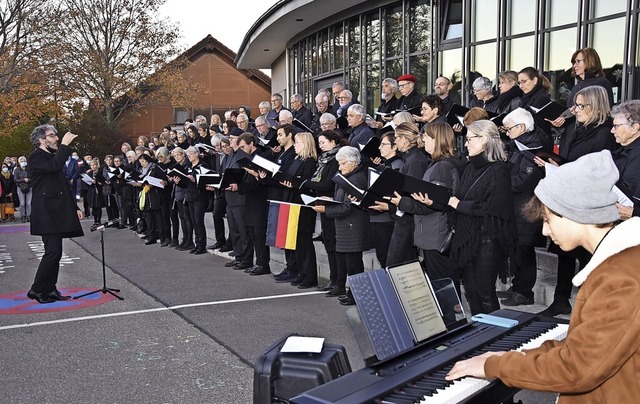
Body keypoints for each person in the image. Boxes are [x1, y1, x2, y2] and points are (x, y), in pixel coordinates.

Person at [446, 150, 640, 404]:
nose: (546, 231)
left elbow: (577, 368)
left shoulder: (621, 276)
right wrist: (512, 356)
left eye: (548, 219)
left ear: (575, 214)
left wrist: (496, 366)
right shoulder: (619, 264)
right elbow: (583, 347)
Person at [534, 85, 618, 317]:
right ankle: (561, 300)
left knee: (588, 256)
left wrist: (562, 167)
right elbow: (572, 160)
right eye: (576, 105)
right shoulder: (577, 128)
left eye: (581, 106)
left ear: (595, 106)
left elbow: (599, 169)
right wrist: (555, 166)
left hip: (589, 202)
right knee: (565, 253)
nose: (575, 110)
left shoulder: (605, 133)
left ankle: (590, 303)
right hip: (572, 196)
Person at [447, 120, 517, 315]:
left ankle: (493, 338)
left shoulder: (499, 170)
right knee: (471, 292)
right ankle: (479, 334)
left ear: (485, 140)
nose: (466, 144)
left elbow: (494, 208)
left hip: (488, 241)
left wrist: (459, 206)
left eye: (470, 139)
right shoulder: (470, 167)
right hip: (467, 238)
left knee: (485, 293)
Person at [390, 122, 464, 283]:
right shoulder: (438, 164)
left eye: (427, 136)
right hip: (433, 231)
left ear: (437, 140)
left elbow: (437, 203)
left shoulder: (442, 167)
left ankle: (449, 308)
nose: (423, 139)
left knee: (442, 282)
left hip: (437, 233)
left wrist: (401, 201)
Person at [26, 125, 84, 304]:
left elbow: (64, 184)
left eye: (57, 136)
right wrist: (66, 145)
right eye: (52, 136)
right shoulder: (35, 157)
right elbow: (53, 167)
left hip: (57, 210)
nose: (57, 139)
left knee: (56, 253)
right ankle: (36, 289)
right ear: (42, 140)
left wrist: (75, 206)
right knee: (52, 252)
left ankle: (50, 288)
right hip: (45, 211)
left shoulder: (52, 156)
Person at [498, 108, 549, 306]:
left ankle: (525, 291)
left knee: (525, 250)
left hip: (527, 206)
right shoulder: (519, 145)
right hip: (517, 206)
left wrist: (501, 183)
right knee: (517, 249)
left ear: (521, 127)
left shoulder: (533, 147)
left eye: (509, 128)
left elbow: (525, 179)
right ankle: (518, 286)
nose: (507, 132)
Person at [314, 146, 371, 305]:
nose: (339, 167)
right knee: (349, 263)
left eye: (342, 163)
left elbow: (348, 206)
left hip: (353, 226)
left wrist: (326, 209)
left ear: (353, 163)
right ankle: (352, 293)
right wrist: (330, 200)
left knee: (354, 265)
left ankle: (356, 295)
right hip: (346, 226)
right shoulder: (347, 176)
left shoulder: (356, 178)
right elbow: (342, 200)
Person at [302, 130, 344, 290]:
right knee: (328, 243)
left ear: (333, 141)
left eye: (323, 142)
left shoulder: (336, 159)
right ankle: (333, 279)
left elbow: (329, 183)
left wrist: (307, 184)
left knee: (334, 244)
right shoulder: (322, 159)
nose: (320, 146)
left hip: (333, 203)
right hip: (322, 203)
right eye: (318, 143)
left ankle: (338, 281)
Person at [611, 100, 640, 221]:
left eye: (616, 126)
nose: (612, 131)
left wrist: (635, 213)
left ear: (634, 128)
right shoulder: (622, 151)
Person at [518, 66, 554, 141]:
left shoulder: (542, 98)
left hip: (538, 143)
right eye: (519, 83)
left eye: (524, 81)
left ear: (534, 80)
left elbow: (539, 125)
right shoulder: (526, 98)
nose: (521, 86)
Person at [14, 156, 31, 223]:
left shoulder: (29, 169)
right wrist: (23, 180)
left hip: (29, 186)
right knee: (22, 203)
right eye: (22, 161)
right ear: (19, 162)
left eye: (24, 161)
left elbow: (33, 177)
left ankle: (29, 215)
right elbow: (15, 179)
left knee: (29, 203)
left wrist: (28, 179)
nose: (23, 162)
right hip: (20, 187)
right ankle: (23, 216)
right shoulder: (17, 170)